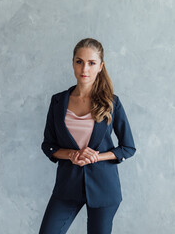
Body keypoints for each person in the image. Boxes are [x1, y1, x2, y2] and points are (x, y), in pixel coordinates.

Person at [39, 37, 136, 234]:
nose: (85, 69)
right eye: (79, 61)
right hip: (67, 187)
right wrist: (71, 155)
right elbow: (49, 145)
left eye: (91, 63)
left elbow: (128, 147)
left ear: (101, 66)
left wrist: (97, 156)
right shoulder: (58, 102)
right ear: (73, 63)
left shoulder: (112, 103)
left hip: (104, 188)